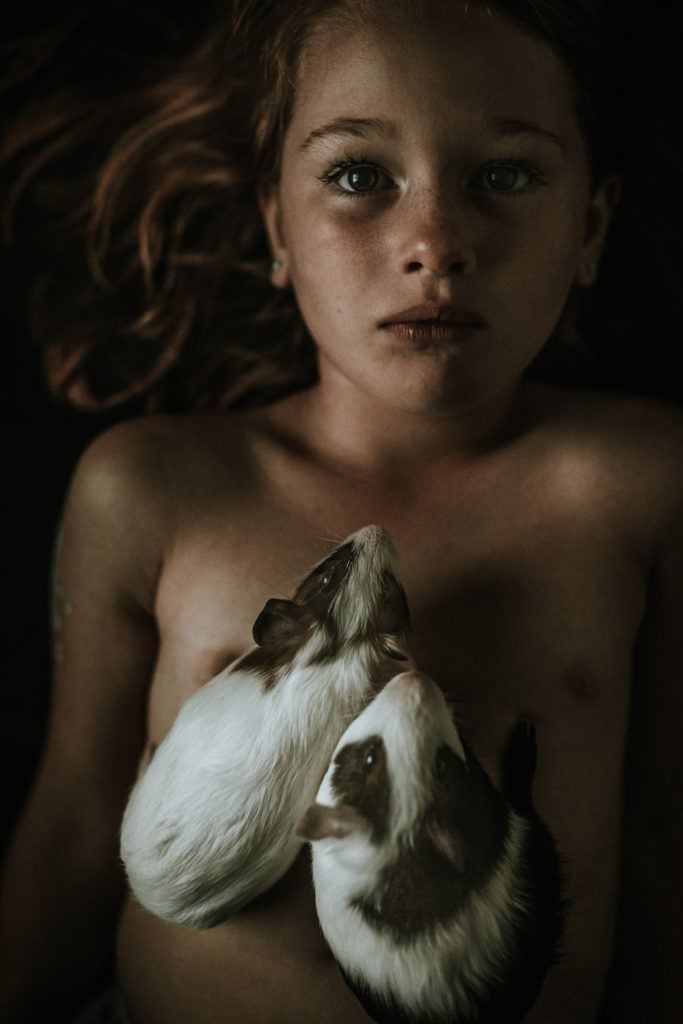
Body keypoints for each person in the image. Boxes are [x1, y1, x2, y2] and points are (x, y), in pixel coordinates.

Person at [1, 1, 682, 1021]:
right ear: (275, 223)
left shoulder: (643, 484)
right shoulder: (150, 488)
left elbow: (659, 834)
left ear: (588, 225)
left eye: (503, 175)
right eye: (360, 177)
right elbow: (72, 824)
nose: (433, 242)